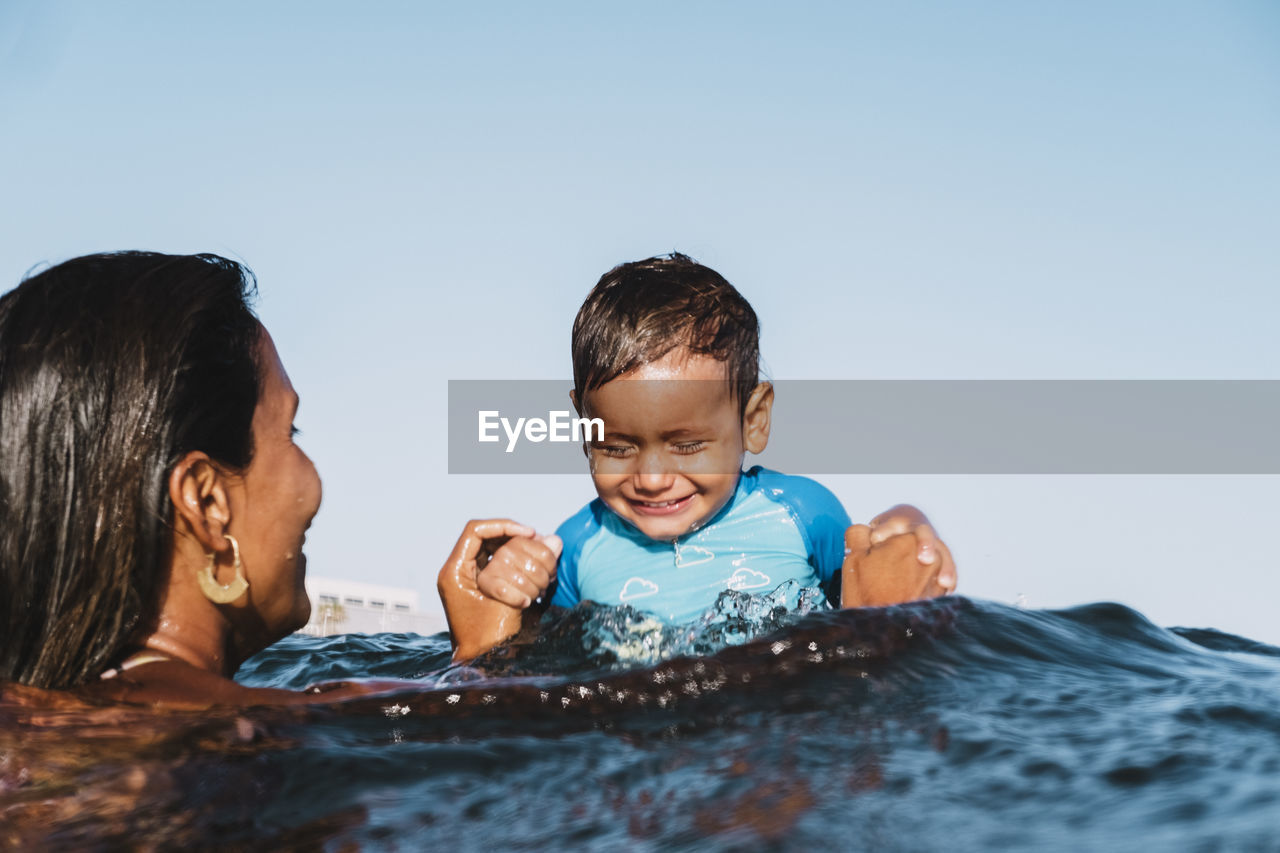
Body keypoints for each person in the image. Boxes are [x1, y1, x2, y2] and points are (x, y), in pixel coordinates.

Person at [439, 254, 956, 659]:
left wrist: (909, 527)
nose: (652, 478)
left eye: (687, 445)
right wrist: (500, 621)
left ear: (753, 420)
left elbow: (869, 599)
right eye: (617, 447)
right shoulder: (575, 548)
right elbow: (547, 676)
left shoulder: (802, 512)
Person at [0, 251, 402, 707]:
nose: (312, 478)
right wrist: (483, 655)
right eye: (290, 431)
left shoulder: (35, 718)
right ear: (207, 503)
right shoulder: (291, 724)